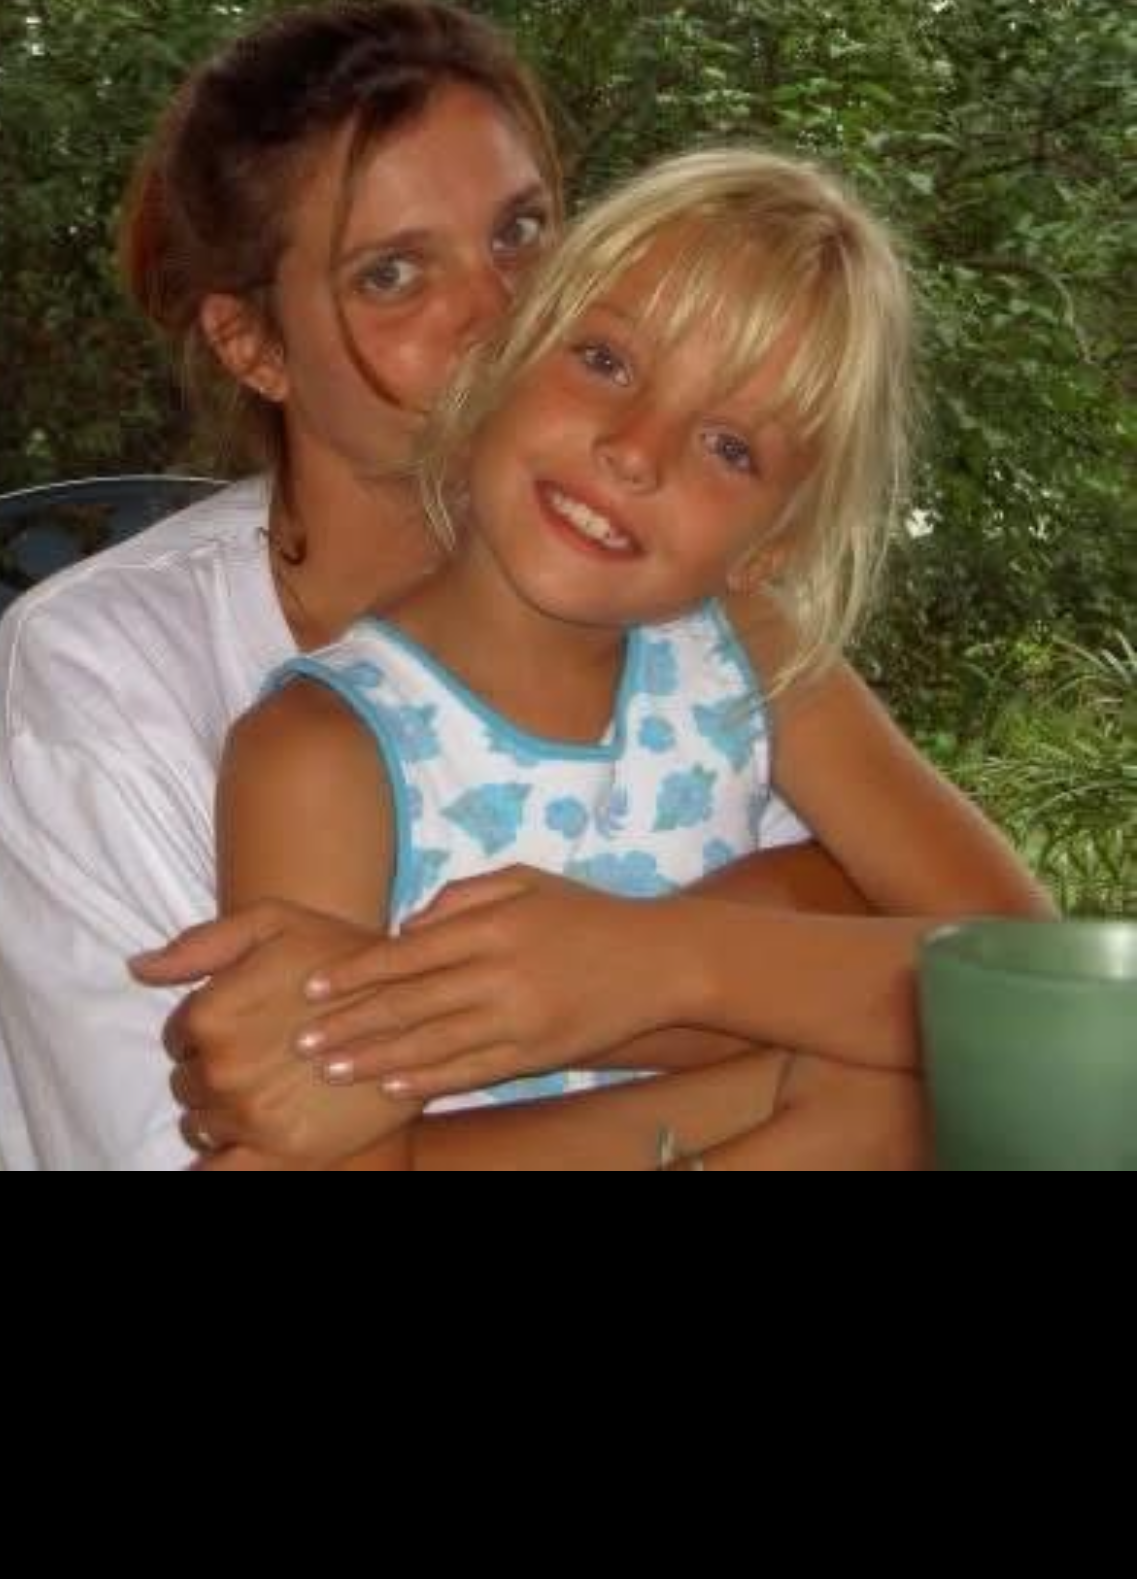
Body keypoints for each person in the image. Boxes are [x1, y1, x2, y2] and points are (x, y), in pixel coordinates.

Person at [0, 0, 977, 1172]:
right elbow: (251, 1137)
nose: (501, 313)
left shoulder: (688, 618)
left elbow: (989, 970)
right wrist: (790, 1057)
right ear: (256, 346)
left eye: (523, 232)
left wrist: (653, 967)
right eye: (391, 274)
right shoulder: (116, 679)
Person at [211, 144, 1050, 1170]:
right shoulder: (320, 753)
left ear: (772, 545)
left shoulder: (746, 652)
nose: (636, 450)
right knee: (883, 1090)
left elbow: (1037, 981)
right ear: (505, 354)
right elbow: (321, 1137)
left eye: (732, 448)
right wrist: (774, 1081)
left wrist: (668, 965)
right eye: (605, 362)